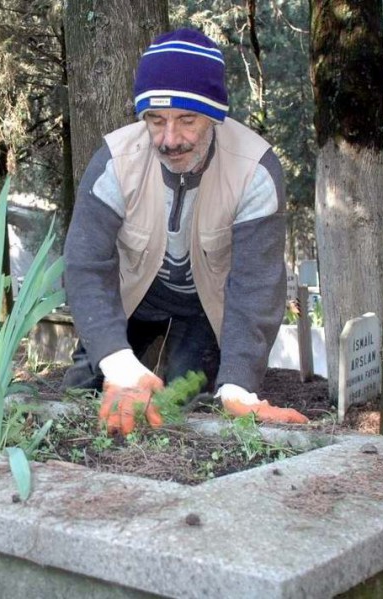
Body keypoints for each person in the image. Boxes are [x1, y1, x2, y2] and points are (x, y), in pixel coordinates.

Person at [62, 28, 309, 435]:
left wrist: (239, 387)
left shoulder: (255, 171)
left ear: (214, 115)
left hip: (203, 306)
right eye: (156, 121)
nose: (170, 140)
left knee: (180, 405)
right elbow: (85, 265)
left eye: (187, 120)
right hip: (131, 298)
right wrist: (118, 363)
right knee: (80, 397)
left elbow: (256, 285)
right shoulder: (114, 161)